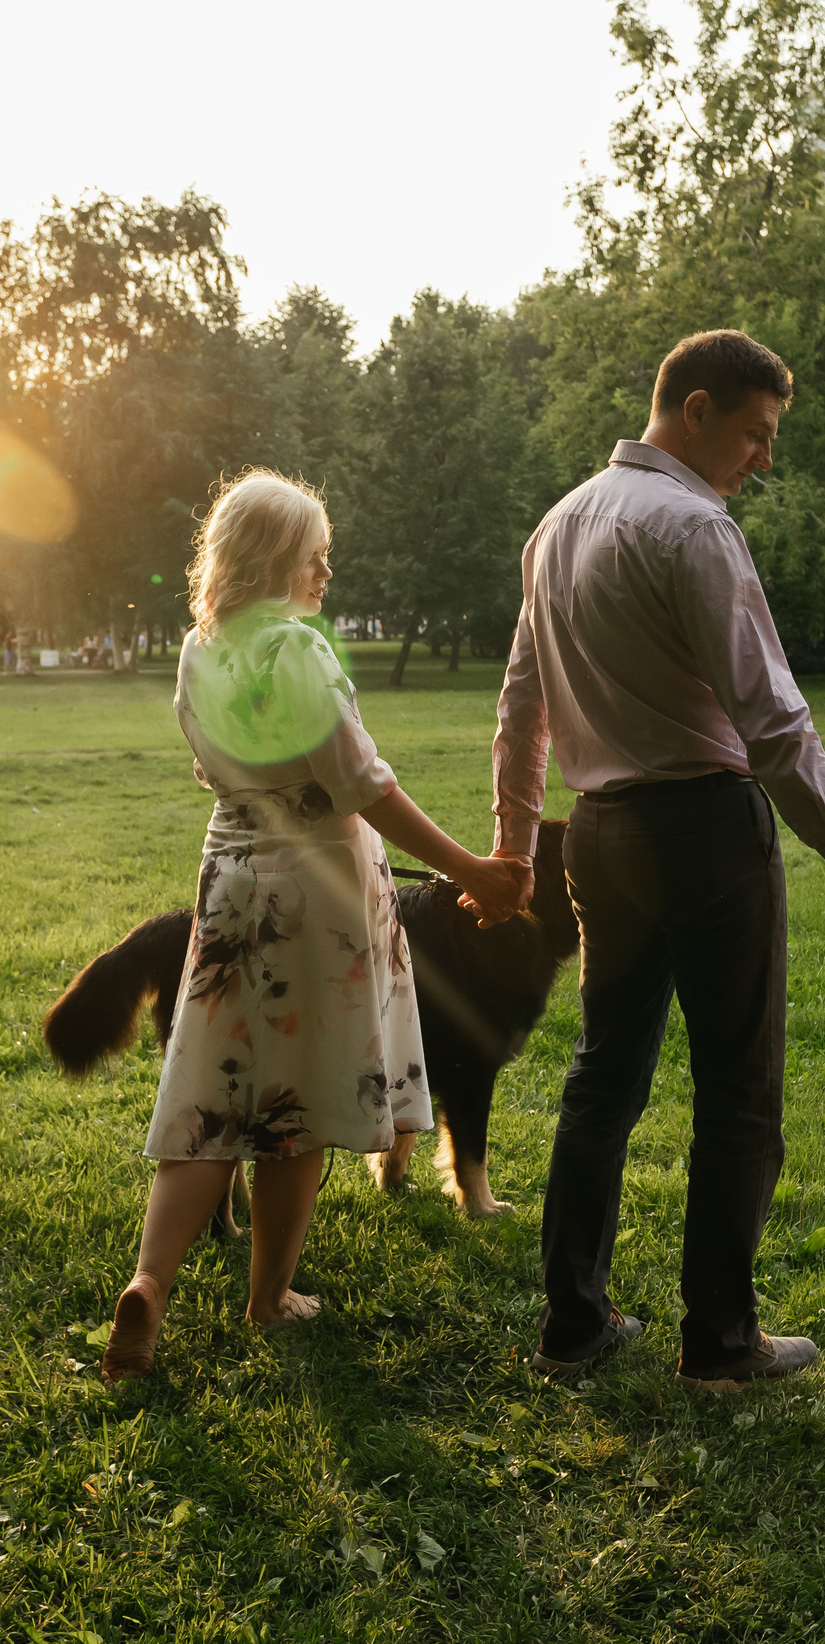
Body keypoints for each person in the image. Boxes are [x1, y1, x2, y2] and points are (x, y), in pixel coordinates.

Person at [491, 328, 825, 1393]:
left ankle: (571, 1324)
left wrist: (512, 845)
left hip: (596, 835)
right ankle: (721, 1345)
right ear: (693, 411)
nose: (762, 460)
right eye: (754, 433)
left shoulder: (554, 527)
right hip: (702, 829)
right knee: (738, 1088)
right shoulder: (694, 528)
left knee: (602, 1079)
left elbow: (519, 708)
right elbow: (771, 720)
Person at [101, 469, 531, 1384]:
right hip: (318, 895)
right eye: (314, 555)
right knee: (293, 1109)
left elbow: (215, 770)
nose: (325, 571)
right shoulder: (297, 648)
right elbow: (363, 785)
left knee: (214, 1094)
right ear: (274, 558)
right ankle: (269, 1297)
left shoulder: (198, 651)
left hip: (229, 879)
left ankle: (148, 1280)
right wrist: (473, 872)